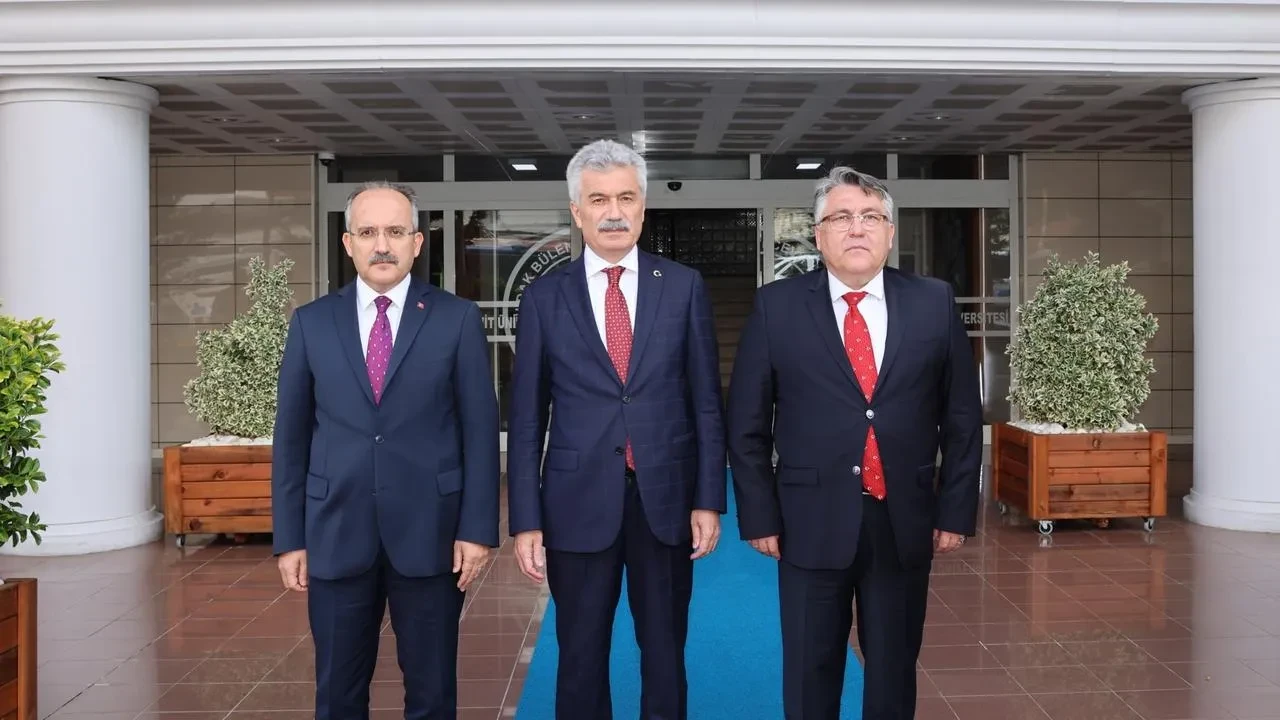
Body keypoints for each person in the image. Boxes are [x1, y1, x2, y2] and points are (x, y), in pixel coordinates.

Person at [726, 166, 983, 720]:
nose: (857, 228)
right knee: (810, 669)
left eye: (871, 216)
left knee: (893, 668)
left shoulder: (933, 302)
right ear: (818, 236)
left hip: (903, 520)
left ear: (890, 232)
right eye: (841, 217)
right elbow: (746, 424)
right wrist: (759, 515)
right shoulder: (776, 307)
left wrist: (955, 510)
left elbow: (963, 418)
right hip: (807, 522)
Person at [506, 138, 726, 720]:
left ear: (643, 208)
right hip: (575, 504)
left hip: (666, 502)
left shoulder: (682, 286)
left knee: (665, 653)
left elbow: (706, 402)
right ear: (576, 212)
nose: (613, 212)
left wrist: (708, 498)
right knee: (579, 656)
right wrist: (526, 518)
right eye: (599, 199)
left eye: (626, 198)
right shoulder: (544, 297)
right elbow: (526, 418)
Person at [271, 181, 500, 720]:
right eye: (368, 232)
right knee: (338, 695)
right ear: (347, 243)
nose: (382, 245)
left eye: (395, 232)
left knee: (432, 694)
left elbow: (479, 431)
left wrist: (476, 530)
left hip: (432, 534)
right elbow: (292, 438)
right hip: (335, 533)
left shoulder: (456, 318)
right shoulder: (311, 323)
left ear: (417, 243)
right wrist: (290, 538)